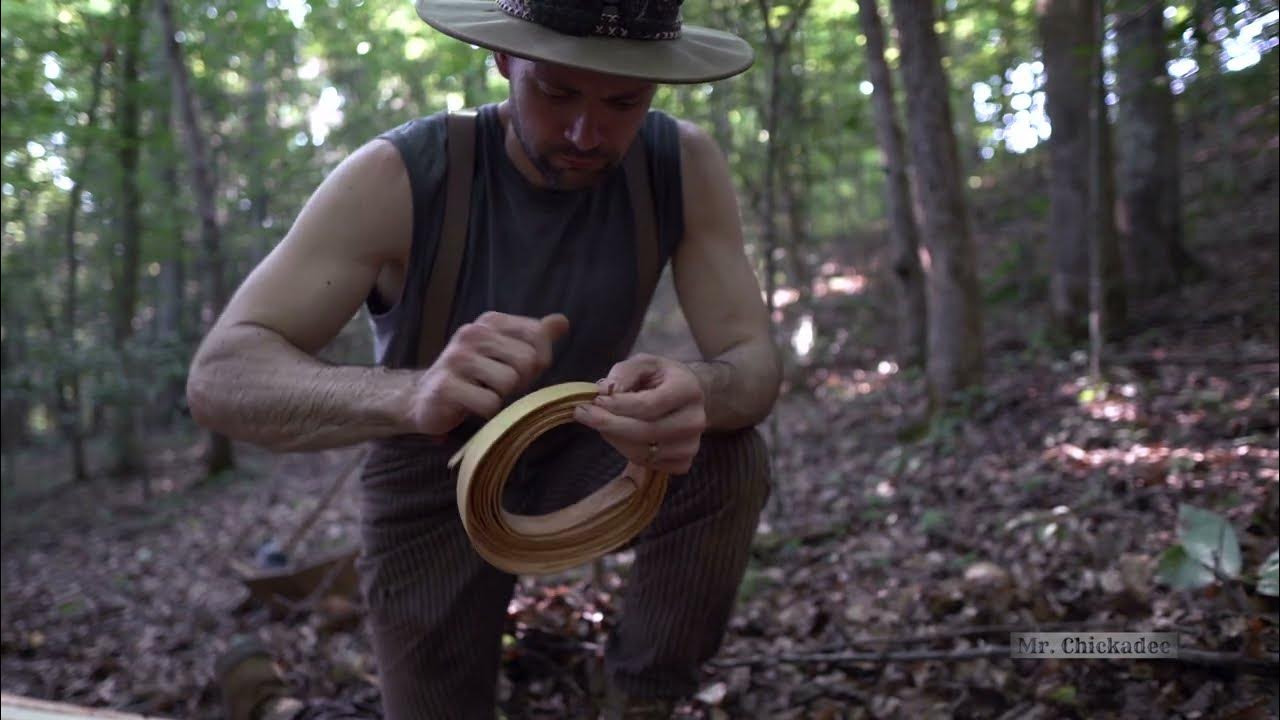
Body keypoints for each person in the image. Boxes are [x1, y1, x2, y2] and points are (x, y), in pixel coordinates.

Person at [187, 0, 781, 717]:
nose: (586, 132)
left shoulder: (680, 165)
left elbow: (753, 366)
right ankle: (274, 706)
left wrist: (695, 391)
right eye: (556, 92)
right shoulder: (399, 176)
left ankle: (642, 698)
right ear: (505, 60)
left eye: (623, 101)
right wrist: (411, 394)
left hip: (591, 434)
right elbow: (221, 376)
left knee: (725, 454)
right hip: (431, 466)